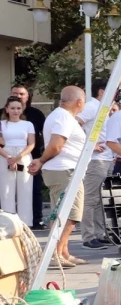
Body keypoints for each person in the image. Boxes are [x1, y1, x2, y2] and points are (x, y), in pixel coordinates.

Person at [28, 86, 88, 267]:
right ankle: (55, 254)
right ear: (79, 102)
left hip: (62, 170)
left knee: (61, 213)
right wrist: (40, 160)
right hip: (65, 171)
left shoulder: (60, 115)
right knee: (71, 214)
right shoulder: (63, 117)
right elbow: (56, 145)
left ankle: (63, 252)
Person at [77, 82, 114, 248]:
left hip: (106, 158)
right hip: (95, 159)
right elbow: (75, 124)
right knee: (90, 199)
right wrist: (88, 144)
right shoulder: (92, 106)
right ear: (102, 91)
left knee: (100, 199)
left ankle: (100, 234)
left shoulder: (104, 108)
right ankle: (88, 236)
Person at [11, 85, 46, 228]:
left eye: (21, 94)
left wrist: (43, 156)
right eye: (15, 93)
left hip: (32, 157)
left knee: (34, 190)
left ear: (27, 96)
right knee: (7, 190)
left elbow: (45, 134)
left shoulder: (36, 114)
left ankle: (35, 220)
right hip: (7, 157)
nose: (18, 96)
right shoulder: (1, 114)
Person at [0, 97, 36, 225]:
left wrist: (17, 157)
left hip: (23, 155)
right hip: (5, 155)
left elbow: (31, 144)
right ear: (7, 109)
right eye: (13, 108)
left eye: (18, 108)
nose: (16, 111)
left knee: (25, 189)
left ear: (22, 109)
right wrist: (9, 157)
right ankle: (7, 222)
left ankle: (25, 223)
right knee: (6, 189)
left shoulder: (28, 124)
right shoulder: (2, 124)